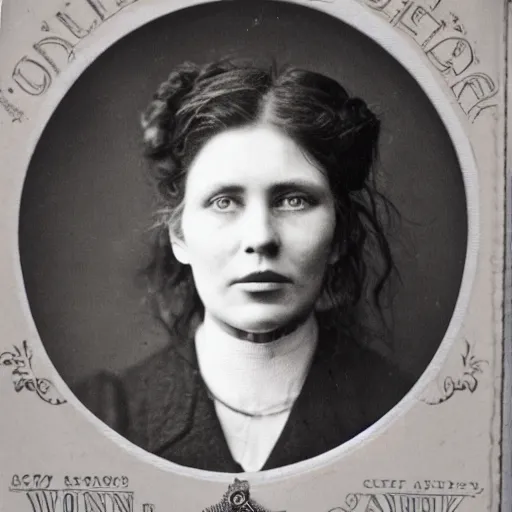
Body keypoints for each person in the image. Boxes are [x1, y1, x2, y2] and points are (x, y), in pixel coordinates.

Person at [76, 60, 413, 473]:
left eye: (294, 200)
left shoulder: (407, 413)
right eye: (224, 202)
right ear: (179, 235)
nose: (260, 237)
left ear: (340, 235)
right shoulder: (101, 416)